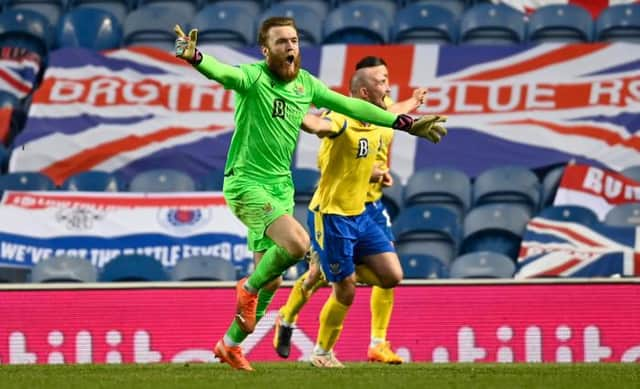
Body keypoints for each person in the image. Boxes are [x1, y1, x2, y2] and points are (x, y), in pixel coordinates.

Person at [174, 17, 444, 371]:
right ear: (265, 50)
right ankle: (248, 290)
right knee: (297, 246)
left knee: (275, 276)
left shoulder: (306, 85)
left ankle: (229, 345)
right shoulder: (254, 78)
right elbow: (224, 74)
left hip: (280, 186)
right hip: (246, 183)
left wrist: (403, 122)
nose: (291, 47)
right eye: (282, 42)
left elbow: (354, 107)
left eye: (295, 40)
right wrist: (196, 57)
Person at [279, 65, 445, 367]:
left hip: (363, 214)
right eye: (382, 82)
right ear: (365, 93)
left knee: (391, 276)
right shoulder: (341, 120)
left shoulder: (378, 121)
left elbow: (394, 111)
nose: (388, 88)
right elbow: (318, 125)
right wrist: (289, 109)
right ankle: (316, 347)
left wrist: (415, 103)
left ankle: (341, 276)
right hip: (332, 216)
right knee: (339, 287)